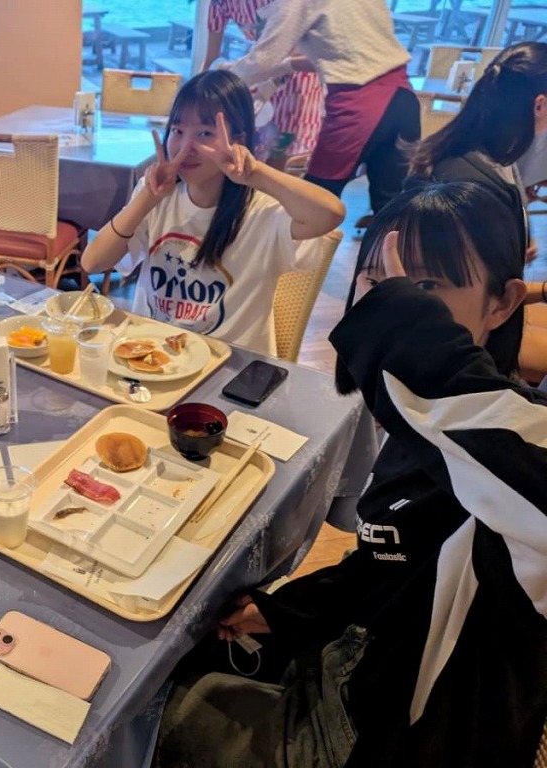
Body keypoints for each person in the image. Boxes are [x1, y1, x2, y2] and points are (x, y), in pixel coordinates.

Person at [155, 181, 547, 767]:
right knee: (181, 653)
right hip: (354, 657)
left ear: (502, 303)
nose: (389, 302)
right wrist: (287, 612)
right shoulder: (420, 432)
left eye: (425, 287)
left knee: (160, 716)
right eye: (375, 280)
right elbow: (385, 564)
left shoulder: (504, 465)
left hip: (393, 738)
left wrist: (409, 339)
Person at [80, 70, 344, 357]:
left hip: (230, 367)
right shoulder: (157, 197)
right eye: (178, 131)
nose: (186, 147)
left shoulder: (265, 209)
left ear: (239, 140)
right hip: (155, 359)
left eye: (205, 133)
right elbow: (93, 262)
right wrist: (147, 198)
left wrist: (256, 173)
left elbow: (331, 214)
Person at [407, 42, 547, 381]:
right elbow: (463, 307)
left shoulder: (483, 158)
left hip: (464, 333)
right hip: (458, 355)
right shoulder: (473, 186)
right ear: (540, 105)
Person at [227, 0, 420, 220]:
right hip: (404, 97)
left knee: (313, 202)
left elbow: (263, 59)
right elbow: (353, 53)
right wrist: (286, 66)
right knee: (390, 207)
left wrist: (217, 81)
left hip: (362, 105)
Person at [203, 0, 324, 170]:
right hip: (254, 75)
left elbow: (309, 49)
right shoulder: (220, 3)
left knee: (285, 160)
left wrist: (257, 72)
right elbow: (211, 58)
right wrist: (197, 98)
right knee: (250, 157)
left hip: (296, 80)